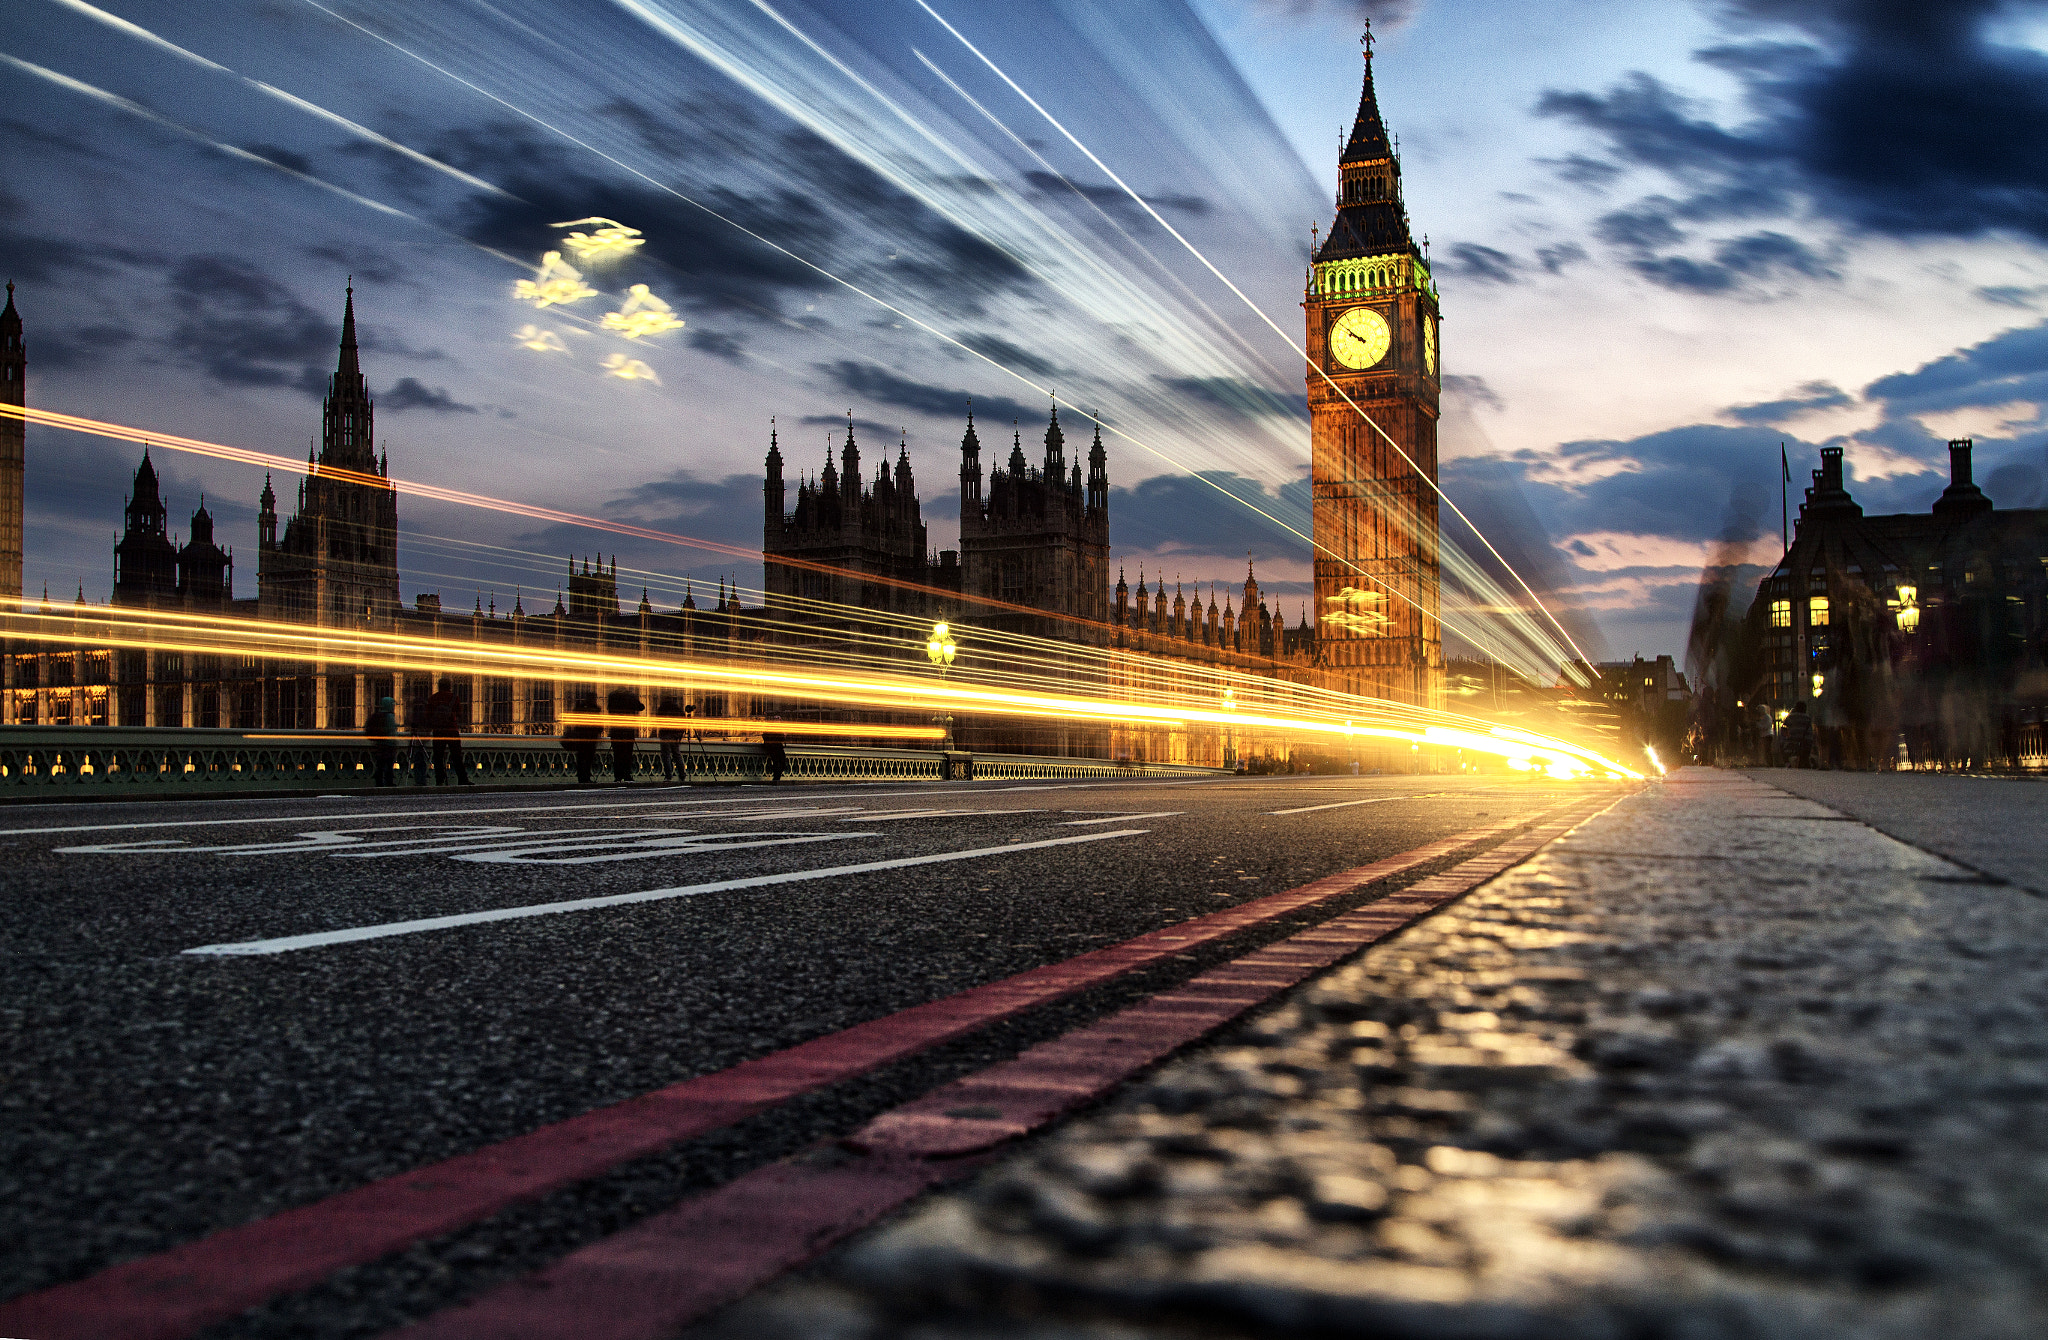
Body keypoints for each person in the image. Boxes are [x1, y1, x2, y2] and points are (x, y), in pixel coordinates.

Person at [426, 676, 470, 785]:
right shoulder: (454, 698)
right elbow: (459, 714)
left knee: (438, 758)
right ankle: (463, 779)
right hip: (452, 731)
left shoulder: (432, 698)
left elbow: (428, 715)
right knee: (457, 757)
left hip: (438, 731)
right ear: (450, 686)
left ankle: (439, 780)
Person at [605, 684, 644, 783]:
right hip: (628, 729)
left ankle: (618, 776)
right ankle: (627, 775)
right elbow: (640, 707)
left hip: (616, 729)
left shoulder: (612, 695)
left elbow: (609, 709)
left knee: (617, 753)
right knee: (627, 753)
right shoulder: (630, 696)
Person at [562, 691, 602, 784]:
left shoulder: (581, 707)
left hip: (585, 737)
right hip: (588, 738)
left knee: (584, 759)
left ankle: (583, 777)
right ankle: (585, 777)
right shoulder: (594, 709)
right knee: (586, 758)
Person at [364, 694, 399, 787]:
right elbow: (391, 730)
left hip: (379, 744)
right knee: (389, 765)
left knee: (380, 765)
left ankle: (379, 782)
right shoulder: (390, 716)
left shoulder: (378, 715)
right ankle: (389, 782)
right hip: (389, 745)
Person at [654, 696, 688, 782]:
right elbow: (684, 723)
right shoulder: (678, 709)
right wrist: (679, 734)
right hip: (675, 736)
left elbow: (658, 720)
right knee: (677, 755)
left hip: (665, 735)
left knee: (666, 756)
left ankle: (668, 776)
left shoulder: (662, 709)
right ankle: (682, 774)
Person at [1781, 701, 1815, 769]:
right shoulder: (1807, 717)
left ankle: (1790, 763)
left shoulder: (1790, 717)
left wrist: (1787, 735)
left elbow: (1783, 727)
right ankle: (1804, 763)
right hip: (1805, 740)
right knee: (1805, 754)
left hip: (1792, 738)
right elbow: (1809, 730)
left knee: (1787, 750)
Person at [406, 696, 431, 785]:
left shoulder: (415, 716)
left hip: (418, 740)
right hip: (423, 739)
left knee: (417, 760)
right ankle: (422, 779)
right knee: (421, 760)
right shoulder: (426, 716)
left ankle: (419, 779)